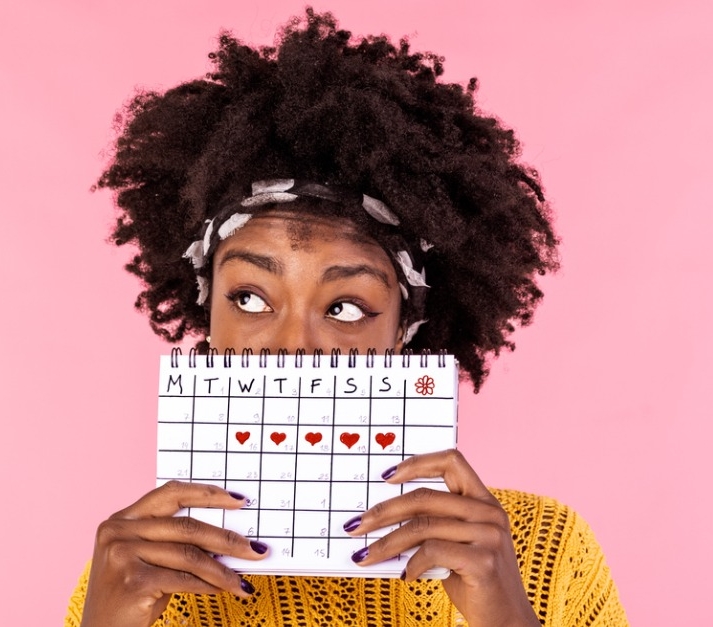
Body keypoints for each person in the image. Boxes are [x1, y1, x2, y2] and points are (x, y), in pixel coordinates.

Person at [65, 9, 627, 627]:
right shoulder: (137, 572)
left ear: (404, 334)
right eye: (249, 298)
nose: (291, 350)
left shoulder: (543, 556)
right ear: (206, 315)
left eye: (346, 307)